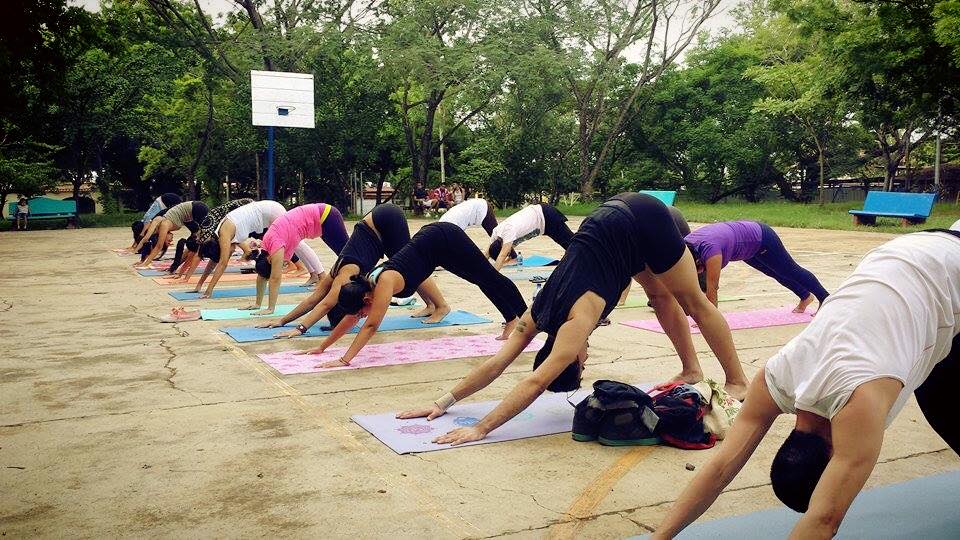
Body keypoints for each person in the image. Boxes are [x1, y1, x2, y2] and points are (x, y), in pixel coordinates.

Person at [654, 227, 960, 539]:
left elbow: (824, 520)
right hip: (907, 253)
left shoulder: (859, 402)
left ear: (832, 459)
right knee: (937, 392)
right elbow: (719, 470)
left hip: (949, 265)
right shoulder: (778, 375)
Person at [393, 193, 750, 446]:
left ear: (568, 357)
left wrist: (482, 427)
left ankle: (737, 381)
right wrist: (443, 403)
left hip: (644, 219)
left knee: (694, 301)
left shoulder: (575, 327)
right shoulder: (537, 315)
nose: (587, 361)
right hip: (612, 221)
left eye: (581, 367)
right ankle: (691, 370)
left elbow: (533, 382)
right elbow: (497, 363)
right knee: (658, 295)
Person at [301, 221, 528, 367]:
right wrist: (323, 347)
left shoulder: (383, 282)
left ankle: (526, 316)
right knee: (481, 279)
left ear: (366, 299)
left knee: (488, 276)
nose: (361, 317)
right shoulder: (365, 287)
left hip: (443, 238)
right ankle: (511, 320)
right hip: (433, 248)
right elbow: (352, 317)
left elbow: (371, 326)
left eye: (362, 312)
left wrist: (344, 359)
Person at [256, 203, 445, 337]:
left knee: (409, 266)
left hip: (386, 220)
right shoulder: (335, 273)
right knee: (405, 266)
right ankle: (430, 305)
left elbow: (325, 304)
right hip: (375, 224)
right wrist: (282, 321)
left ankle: (441, 306)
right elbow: (312, 300)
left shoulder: (343, 277)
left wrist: (300, 329)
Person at [685, 220, 829, 313]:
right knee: (774, 273)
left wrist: (709, 319)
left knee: (789, 270)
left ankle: (825, 299)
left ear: (698, 260)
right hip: (745, 248)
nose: (699, 272)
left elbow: (712, 288)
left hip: (760, 238)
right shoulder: (684, 246)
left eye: (699, 269)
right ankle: (805, 296)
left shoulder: (711, 251)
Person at [245, 203, 349, 315]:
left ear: (270, 260)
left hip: (326, 216)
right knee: (347, 257)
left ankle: (364, 288)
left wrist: (270, 308)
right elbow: (262, 276)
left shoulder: (275, 245)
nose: (282, 264)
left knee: (350, 258)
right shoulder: (266, 246)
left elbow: (275, 277)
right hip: (322, 218)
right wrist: (257, 304)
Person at [487, 202, 575, 270]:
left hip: (546, 215)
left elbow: (502, 256)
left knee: (573, 245)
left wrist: (492, 276)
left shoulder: (508, 232)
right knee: (572, 246)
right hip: (542, 222)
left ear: (502, 247)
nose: (508, 253)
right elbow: (487, 253)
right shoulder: (496, 232)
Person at [133, 201, 209, 268]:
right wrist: (142, 260)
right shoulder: (160, 222)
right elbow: (147, 241)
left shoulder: (164, 225)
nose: (170, 241)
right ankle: (176, 266)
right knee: (193, 242)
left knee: (199, 241)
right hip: (193, 211)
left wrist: (146, 263)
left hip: (197, 208)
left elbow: (158, 246)